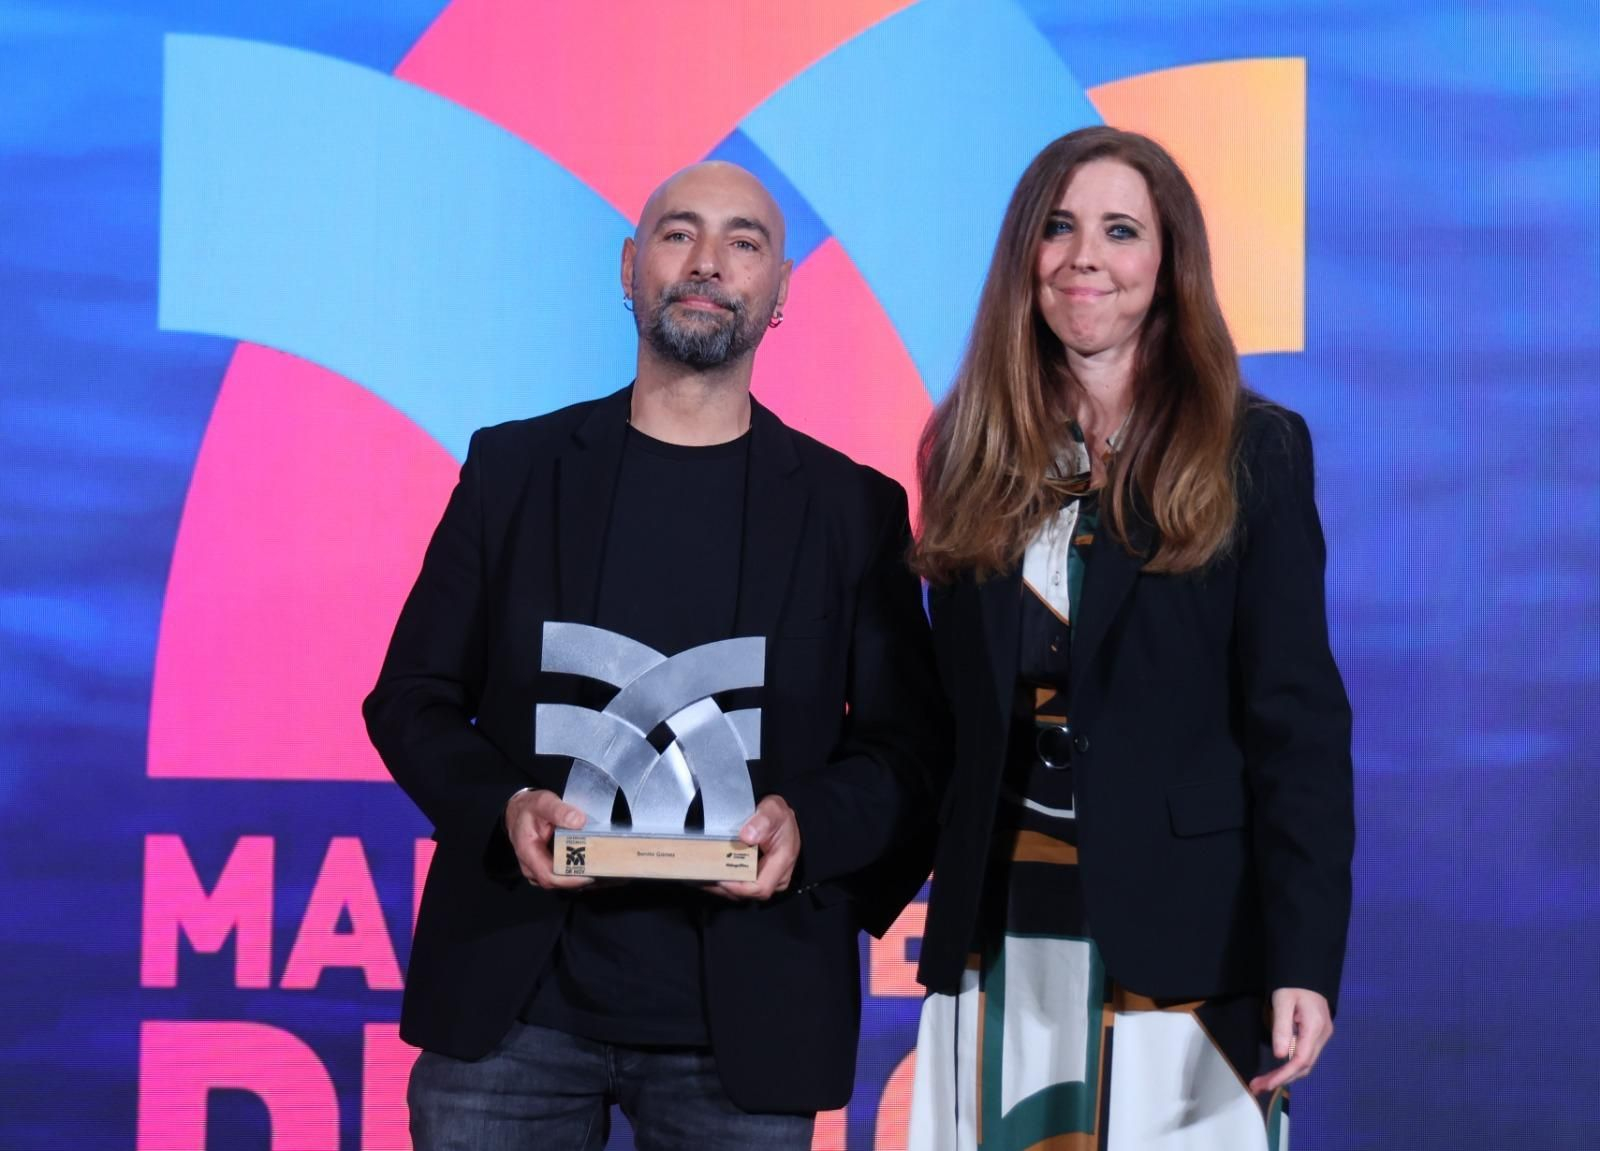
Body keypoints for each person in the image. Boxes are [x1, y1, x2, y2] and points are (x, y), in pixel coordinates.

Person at [364, 160, 947, 1151]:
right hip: (511, 1012)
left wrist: (805, 828)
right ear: (631, 267)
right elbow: (410, 697)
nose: (708, 261)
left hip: (746, 1022)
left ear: (779, 294)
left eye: (743, 241)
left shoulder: (852, 509)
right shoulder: (513, 472)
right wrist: (501, 808)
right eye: (679, 234)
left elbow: (908, 749)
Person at [906, 127, 1354, 1149]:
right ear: (1025, 254)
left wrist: (1304, 957)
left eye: (1119, 230)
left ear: (1168, 262)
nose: (1084, 257)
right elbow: (943, 718)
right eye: (1057, 228)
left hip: (1188, 939)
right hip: (1002, 931)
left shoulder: (1251, 449)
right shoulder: (968, 450)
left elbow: (1297, 727)